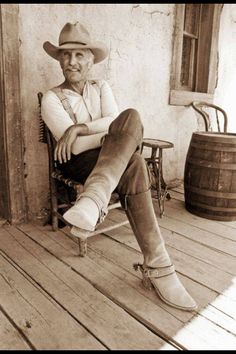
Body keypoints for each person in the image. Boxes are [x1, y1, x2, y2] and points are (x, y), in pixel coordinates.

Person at [41, 22, 197, 311]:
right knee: (133, 158)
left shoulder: (101, 87)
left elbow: (117, 120)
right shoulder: (52, 98)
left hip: (109, 160)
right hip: (80, 164)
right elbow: (74, 149)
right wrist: (109, 135)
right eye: (66, 55)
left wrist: (79, 128)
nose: (72, 62)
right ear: (59, 60)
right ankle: (159, 265)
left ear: (91, 60)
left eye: (79, 55)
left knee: (131, 117)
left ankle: (94, 198)